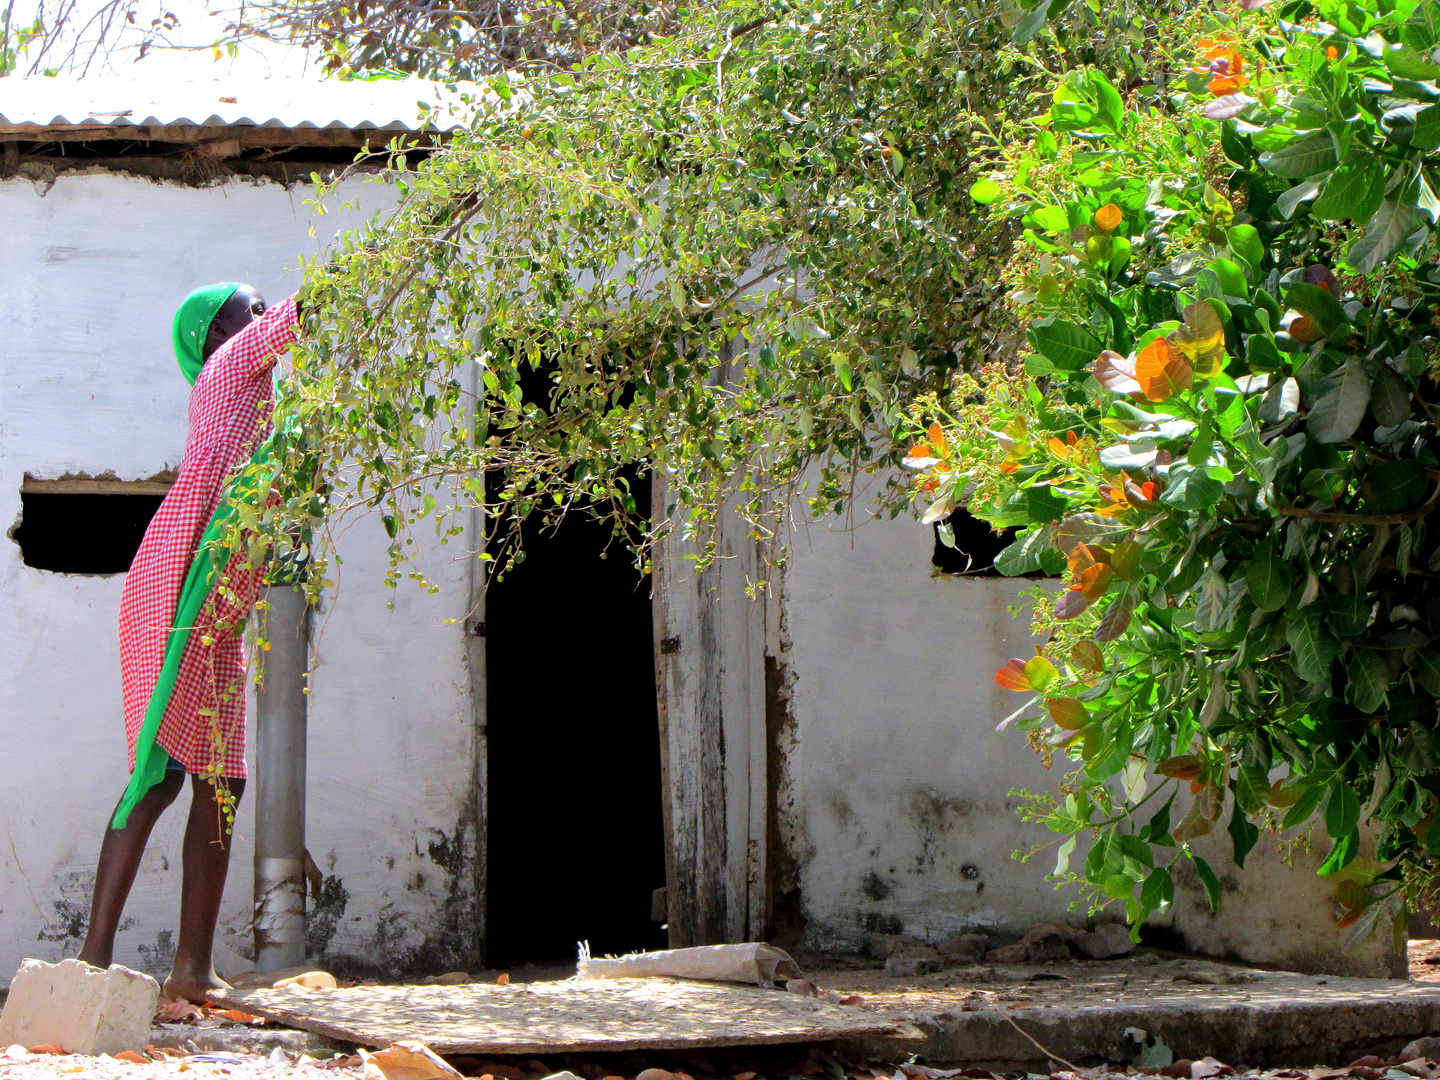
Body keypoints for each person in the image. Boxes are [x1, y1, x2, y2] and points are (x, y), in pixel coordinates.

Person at [76, 283, 301, 1003]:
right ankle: (89, 964)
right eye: (251, 306)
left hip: (220, 607)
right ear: (216, 333)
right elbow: (312, 308)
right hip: (178, 588)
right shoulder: (229, 366)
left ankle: (192, 970)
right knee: (159, 772)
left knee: (223, 783)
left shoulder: (263, 402)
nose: (262, 317)